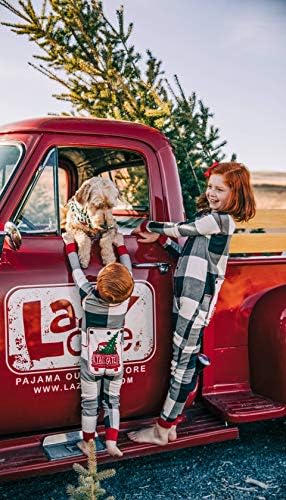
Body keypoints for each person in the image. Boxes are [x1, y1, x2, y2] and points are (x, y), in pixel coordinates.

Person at [128, 161, 256, 446]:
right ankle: (170, 425)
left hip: (196, 301)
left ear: (236, 194)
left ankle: (162, 430)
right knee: (181, 359)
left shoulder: (221, 221)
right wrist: (161, 240)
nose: (211, 193)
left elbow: (183, 229)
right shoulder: (210, 221)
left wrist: (151, 225)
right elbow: (183, 250)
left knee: (182, 363)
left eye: (219, 189)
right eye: (210, 187)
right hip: (187, 299)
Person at [62, 231, 134, 458]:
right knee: (113, 401)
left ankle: (89, 443)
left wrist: (70, 245)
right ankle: (112, 443)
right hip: (116, 363)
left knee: (90, 402)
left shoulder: (89, 298)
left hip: (90, 363)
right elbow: (128, 270)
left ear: (99, 283)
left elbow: (77, 273)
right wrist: (120, 246)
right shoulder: (125, 300)